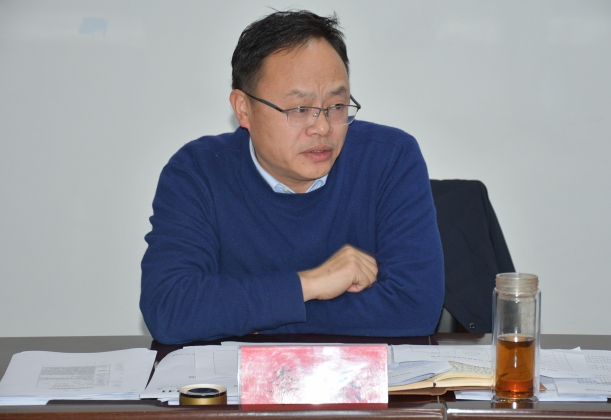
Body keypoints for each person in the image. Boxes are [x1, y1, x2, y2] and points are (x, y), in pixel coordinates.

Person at [140, 10, 444, 344]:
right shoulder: (197, 171)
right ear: (243, 109)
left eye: (337, 106)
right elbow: (170, 308)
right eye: (299, 109)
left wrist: (255, 317)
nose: (323, 127)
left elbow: (416, 308)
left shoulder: (390, 158)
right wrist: (311, 284)